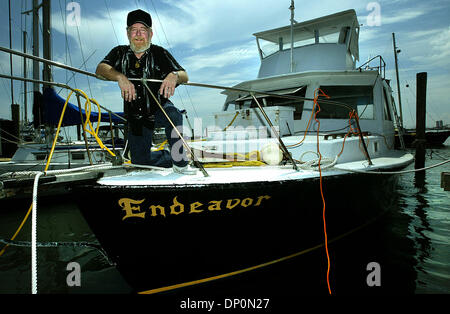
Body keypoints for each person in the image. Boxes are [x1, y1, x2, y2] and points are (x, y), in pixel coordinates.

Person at [95, 9, 196, 174]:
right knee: (140, 162)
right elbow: (100, 69)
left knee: (174, 114)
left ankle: (181, 162)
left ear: (150, 34)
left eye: (143, 30)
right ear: (128, 34)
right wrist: (120, 76)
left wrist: (174, 74)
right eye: (134, 30)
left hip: (159, 106)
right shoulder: (119, 52)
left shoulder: (159, 52)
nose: (138, 34)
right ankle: (168, 157)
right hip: (135, 116)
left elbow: (184, 75)